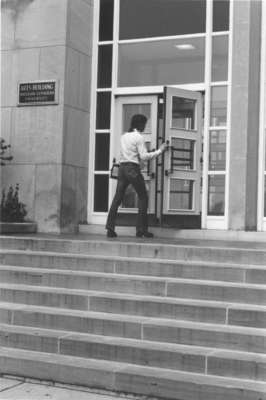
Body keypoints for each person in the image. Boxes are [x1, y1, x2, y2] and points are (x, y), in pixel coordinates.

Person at [105, 114, 168, 238]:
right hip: (132, 169)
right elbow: (144, 156)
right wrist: (160, 150)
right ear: (140, 124)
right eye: (144, 124)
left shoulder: (124, 136)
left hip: (122, 168)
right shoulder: (138, 137)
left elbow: (127, 154)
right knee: (143, 197)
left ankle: (110, 228)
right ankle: (141, 230)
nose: (145, 126)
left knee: (117, 198)